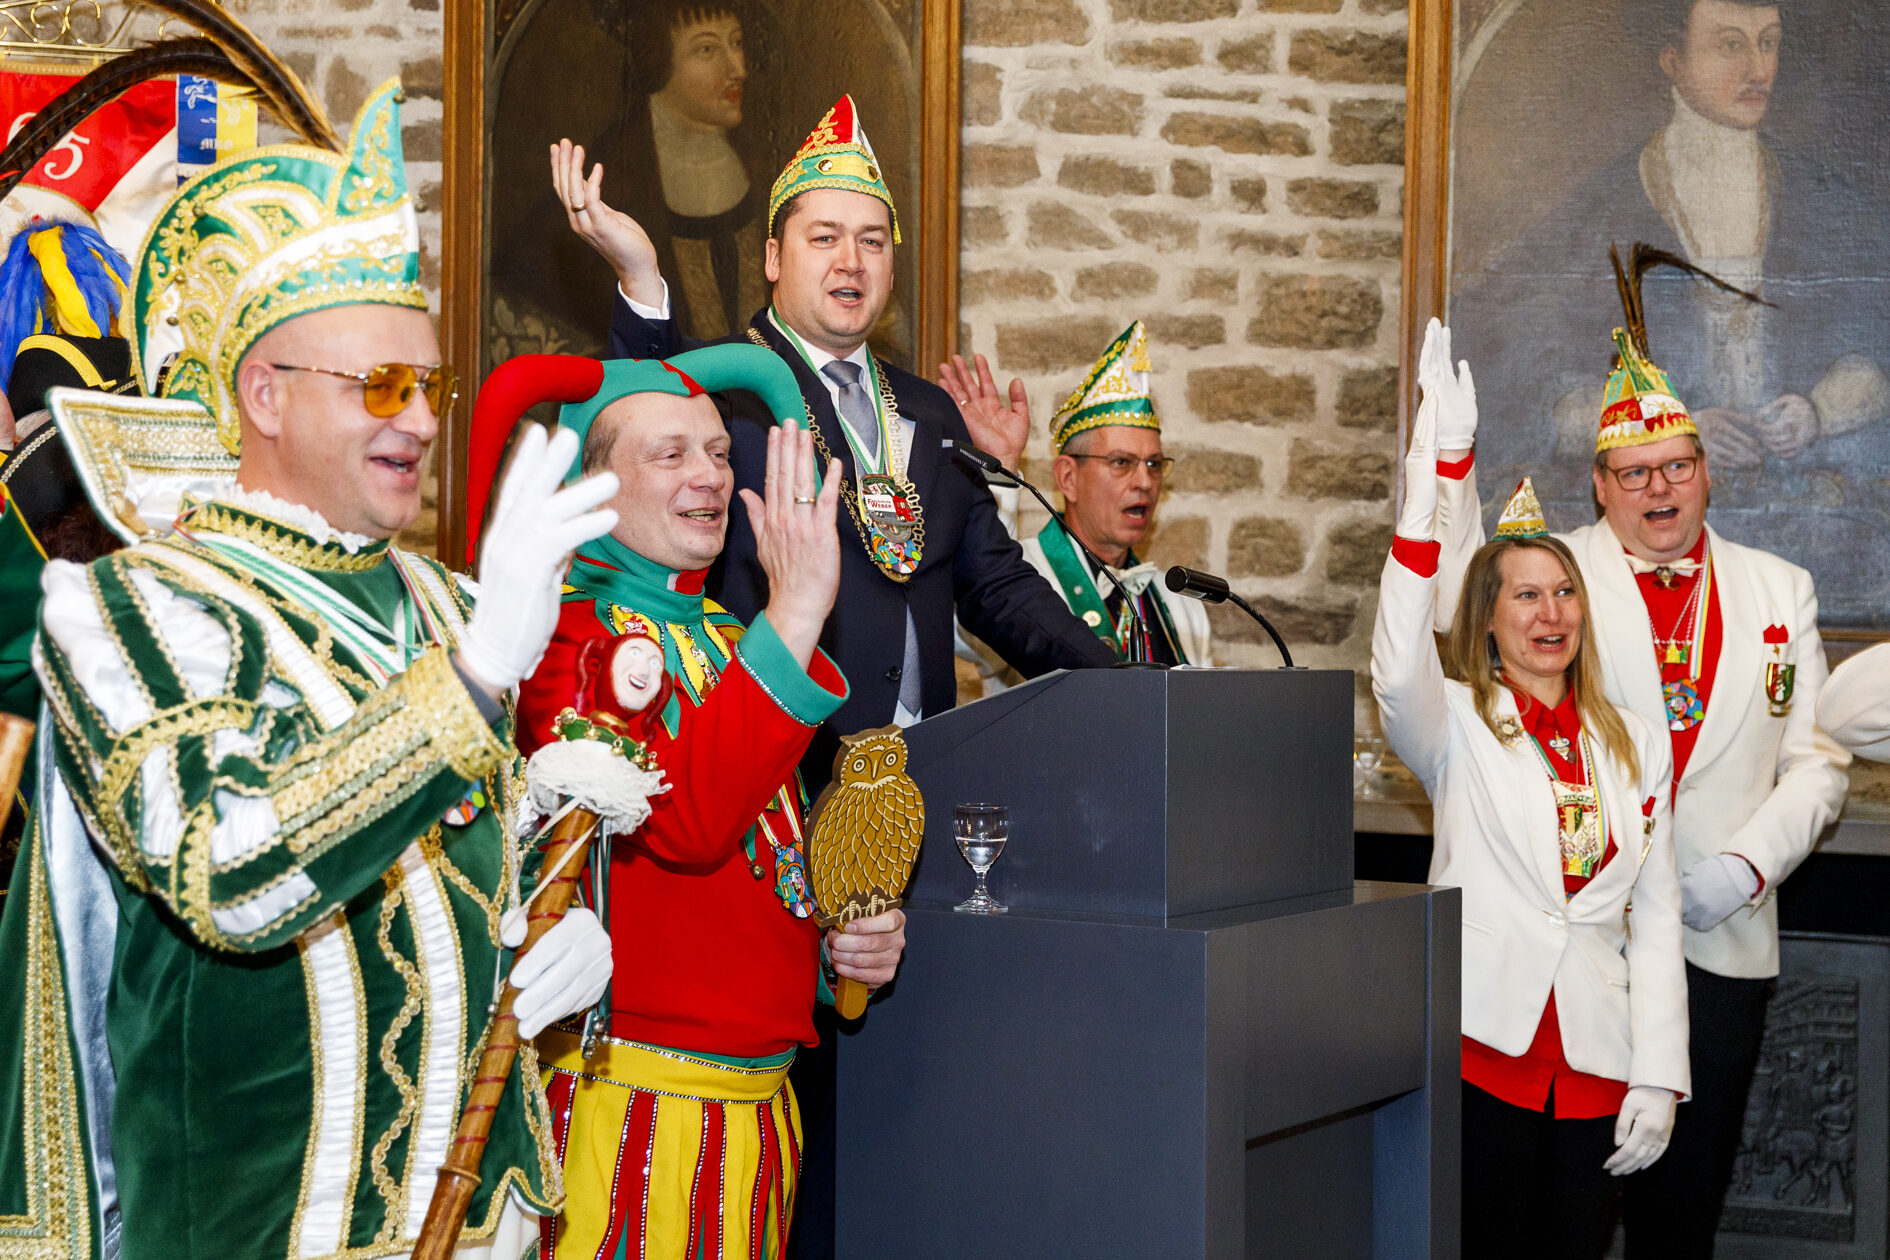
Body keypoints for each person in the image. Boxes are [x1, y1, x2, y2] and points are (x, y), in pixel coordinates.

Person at [14, 79, 625, 1259]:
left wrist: (566, 939)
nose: (422, 419)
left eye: (431, 385)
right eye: (379, 386)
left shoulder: (446, 602)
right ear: (263, 395)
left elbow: (488, 856)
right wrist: (476, 677)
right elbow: (226, 868)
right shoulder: (136, 605)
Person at [552, 95, 1112, 1257]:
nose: (850, 262)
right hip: (773, 781)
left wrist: (1129, 679)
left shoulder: (927, 412)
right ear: (772, 255)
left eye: (871, 240)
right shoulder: (736, 389)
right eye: (823, 237)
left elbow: (998, 592)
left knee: (897, 1140)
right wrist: (644, 287)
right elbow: (643, 420)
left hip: (922, 804)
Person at [1430, 286, 1850, 1256]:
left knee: (1682, 1212)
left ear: (1707, 473)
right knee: (1550, 1216)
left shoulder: (1782, 589)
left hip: (1722, 941)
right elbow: (1447, 650)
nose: (1657, 491)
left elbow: (1819, 759)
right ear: (1599, 487)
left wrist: (1745, 867)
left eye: (1675, 467)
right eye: (1632, 474)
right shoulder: (1547, 581)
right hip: (1576, 952)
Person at [481, 345, 906, 1258]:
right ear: (593, 490)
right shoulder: (563, 635)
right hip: (626, 1110)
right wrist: (794, 615)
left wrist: (839, 950)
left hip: (760, 1112)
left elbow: (765, 865)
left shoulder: (725, 635)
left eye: (718, 452)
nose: (710, 475)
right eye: (671, 455)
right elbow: (686, 824)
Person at [1378, 371, 1687, 1256]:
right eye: (1525, 594)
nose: (1550, 613)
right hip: (1483, 1053)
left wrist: (1660, 1076)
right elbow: (1396, 669)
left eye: (1564, 591)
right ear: (1487, 619)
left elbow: (1657, 914)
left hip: (1599, 1062)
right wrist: (1425, 491)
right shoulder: (1457, 723)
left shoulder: (1633, 736)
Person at [492, 0, 766, 352]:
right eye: (707, 49)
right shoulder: (610, 178)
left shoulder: (758, 160)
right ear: (659, 60)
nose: (738, 69)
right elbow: (523, 291)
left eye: (737, 43)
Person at [943, 320, 1209, 671]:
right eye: (1121, 462)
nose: (1145, 481)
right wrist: (1002, 470)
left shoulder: (1182, 604)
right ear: (1067, 477)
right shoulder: (1022, 575)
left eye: (1154, 464)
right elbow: (966, 620)